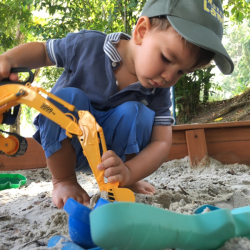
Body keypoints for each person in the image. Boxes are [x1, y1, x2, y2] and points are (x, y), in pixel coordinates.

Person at [0, 0, 234, 208]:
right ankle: (63, 181)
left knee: (137, 111)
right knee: (70, 97)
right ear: (142, 31)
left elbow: (162, 142)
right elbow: (43, 51)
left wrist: (130, 173)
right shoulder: (88, 45)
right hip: (67, 145)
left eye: (181, 71)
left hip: (111, 159)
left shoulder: (159, 90)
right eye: (166, 58)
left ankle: (123, 181)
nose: (169, 77)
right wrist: (8, 59)